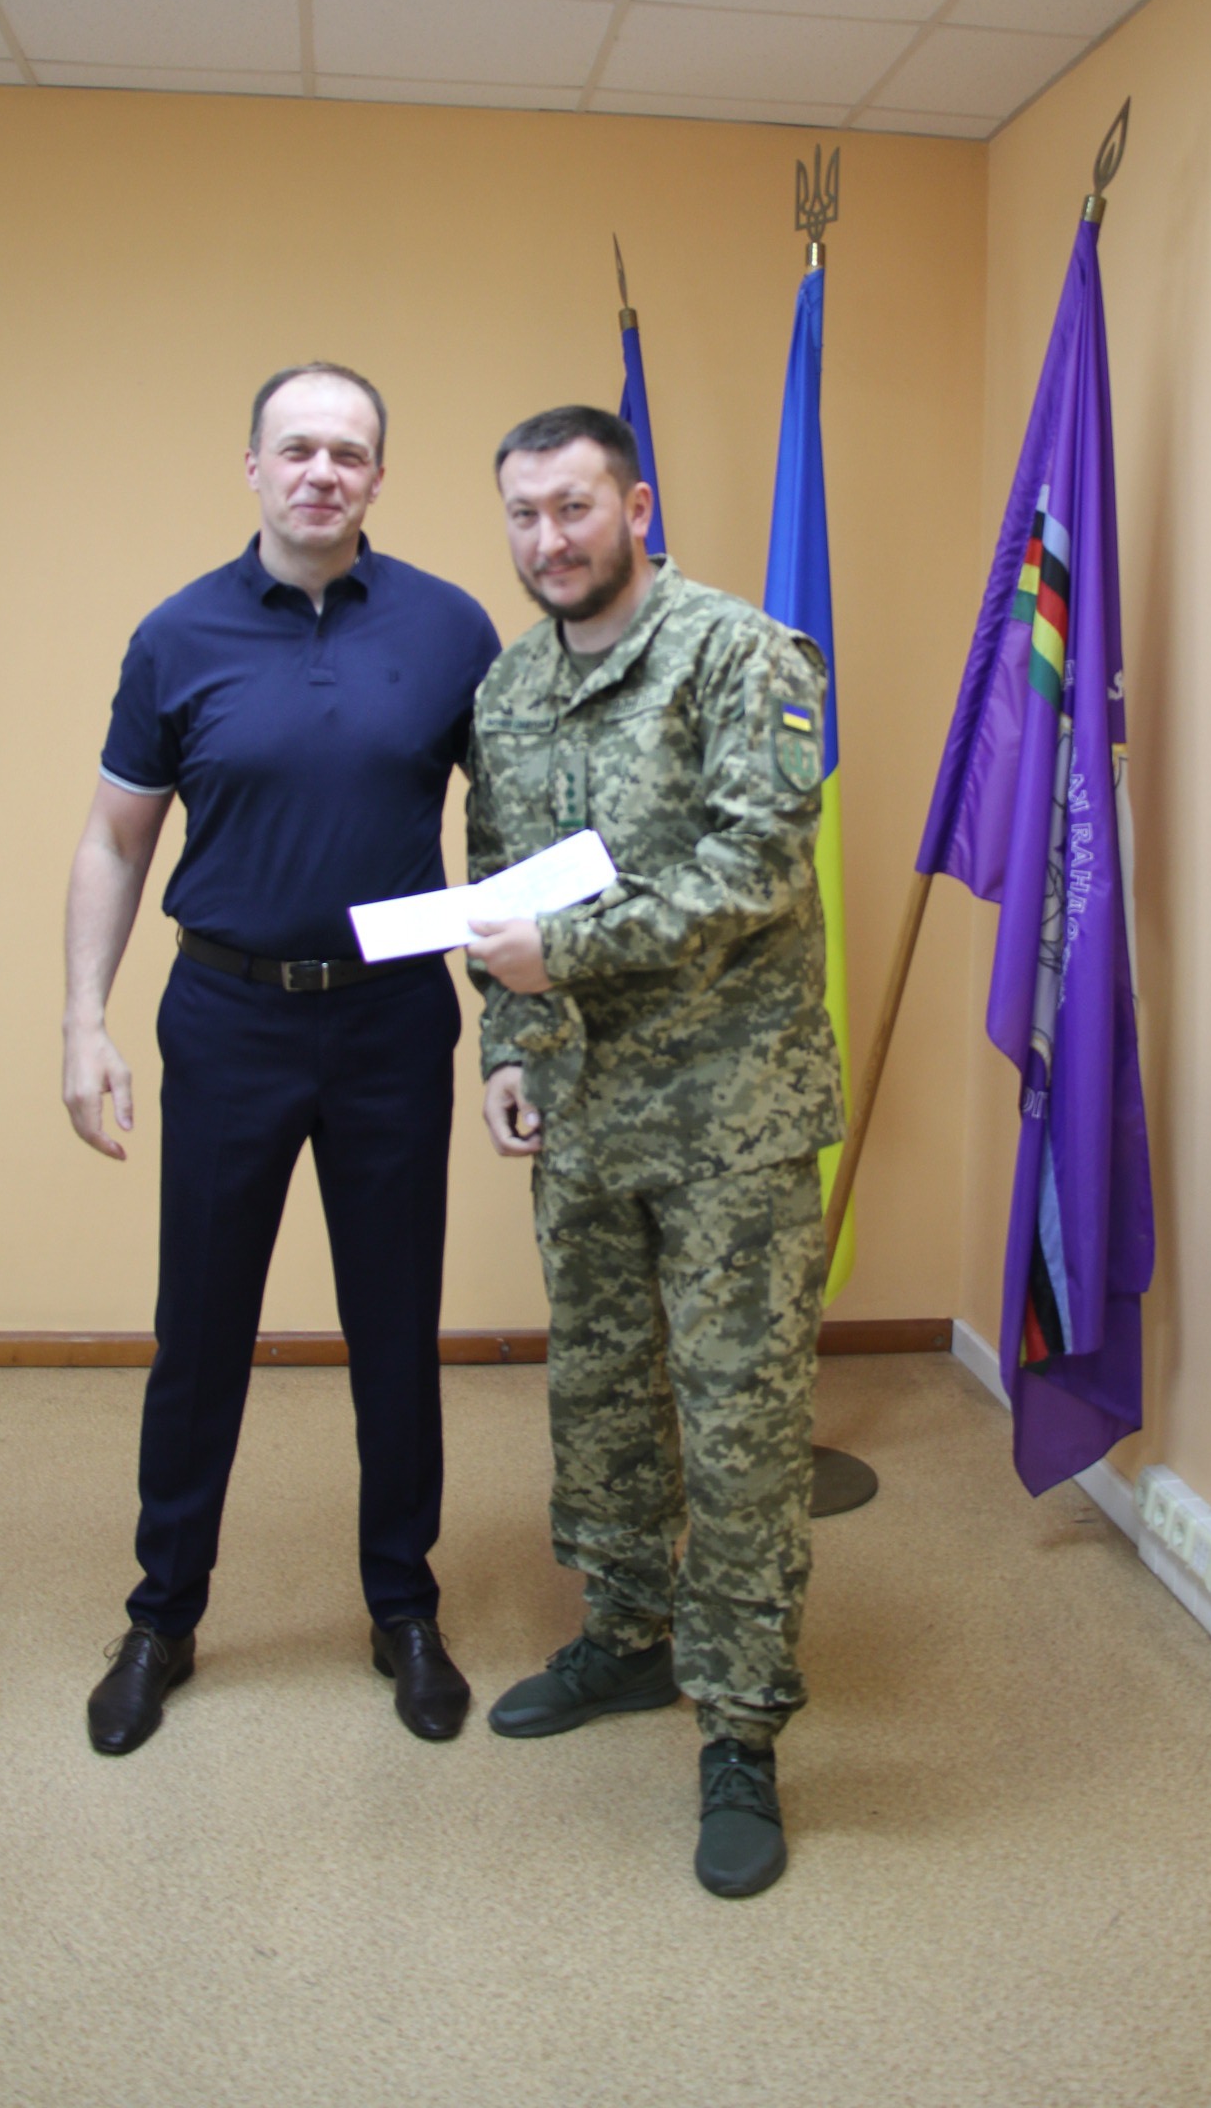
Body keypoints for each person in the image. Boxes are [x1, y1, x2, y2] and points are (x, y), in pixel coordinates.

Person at [63, 361, 499, 1756]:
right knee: (199, 1330)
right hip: (229, 1019)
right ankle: (162, 1616)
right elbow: (115, 838)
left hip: (391, 1023)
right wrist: (83, 1021)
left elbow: (512, 834)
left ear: (379, 477)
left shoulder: (451, 628)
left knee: (395, 1327)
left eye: (348, 452)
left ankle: (404, 1607)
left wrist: (521, 1031)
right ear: (252, 466)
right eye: (297, 448)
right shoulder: (176, 635)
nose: (322, 471)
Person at [465, 406, 844, 1899]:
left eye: (574, 507)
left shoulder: (740, 653)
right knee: (605, 1393)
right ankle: (626, 1634)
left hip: (733, 1118)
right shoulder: (508, 691)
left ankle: (741, 1728)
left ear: (634, 506)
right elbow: (491, 885)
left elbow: (758, 863)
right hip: (585, 1115)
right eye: (524, 515)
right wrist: (508, 1045)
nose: (548, 539)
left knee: (740, 1424)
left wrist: (561, 957)